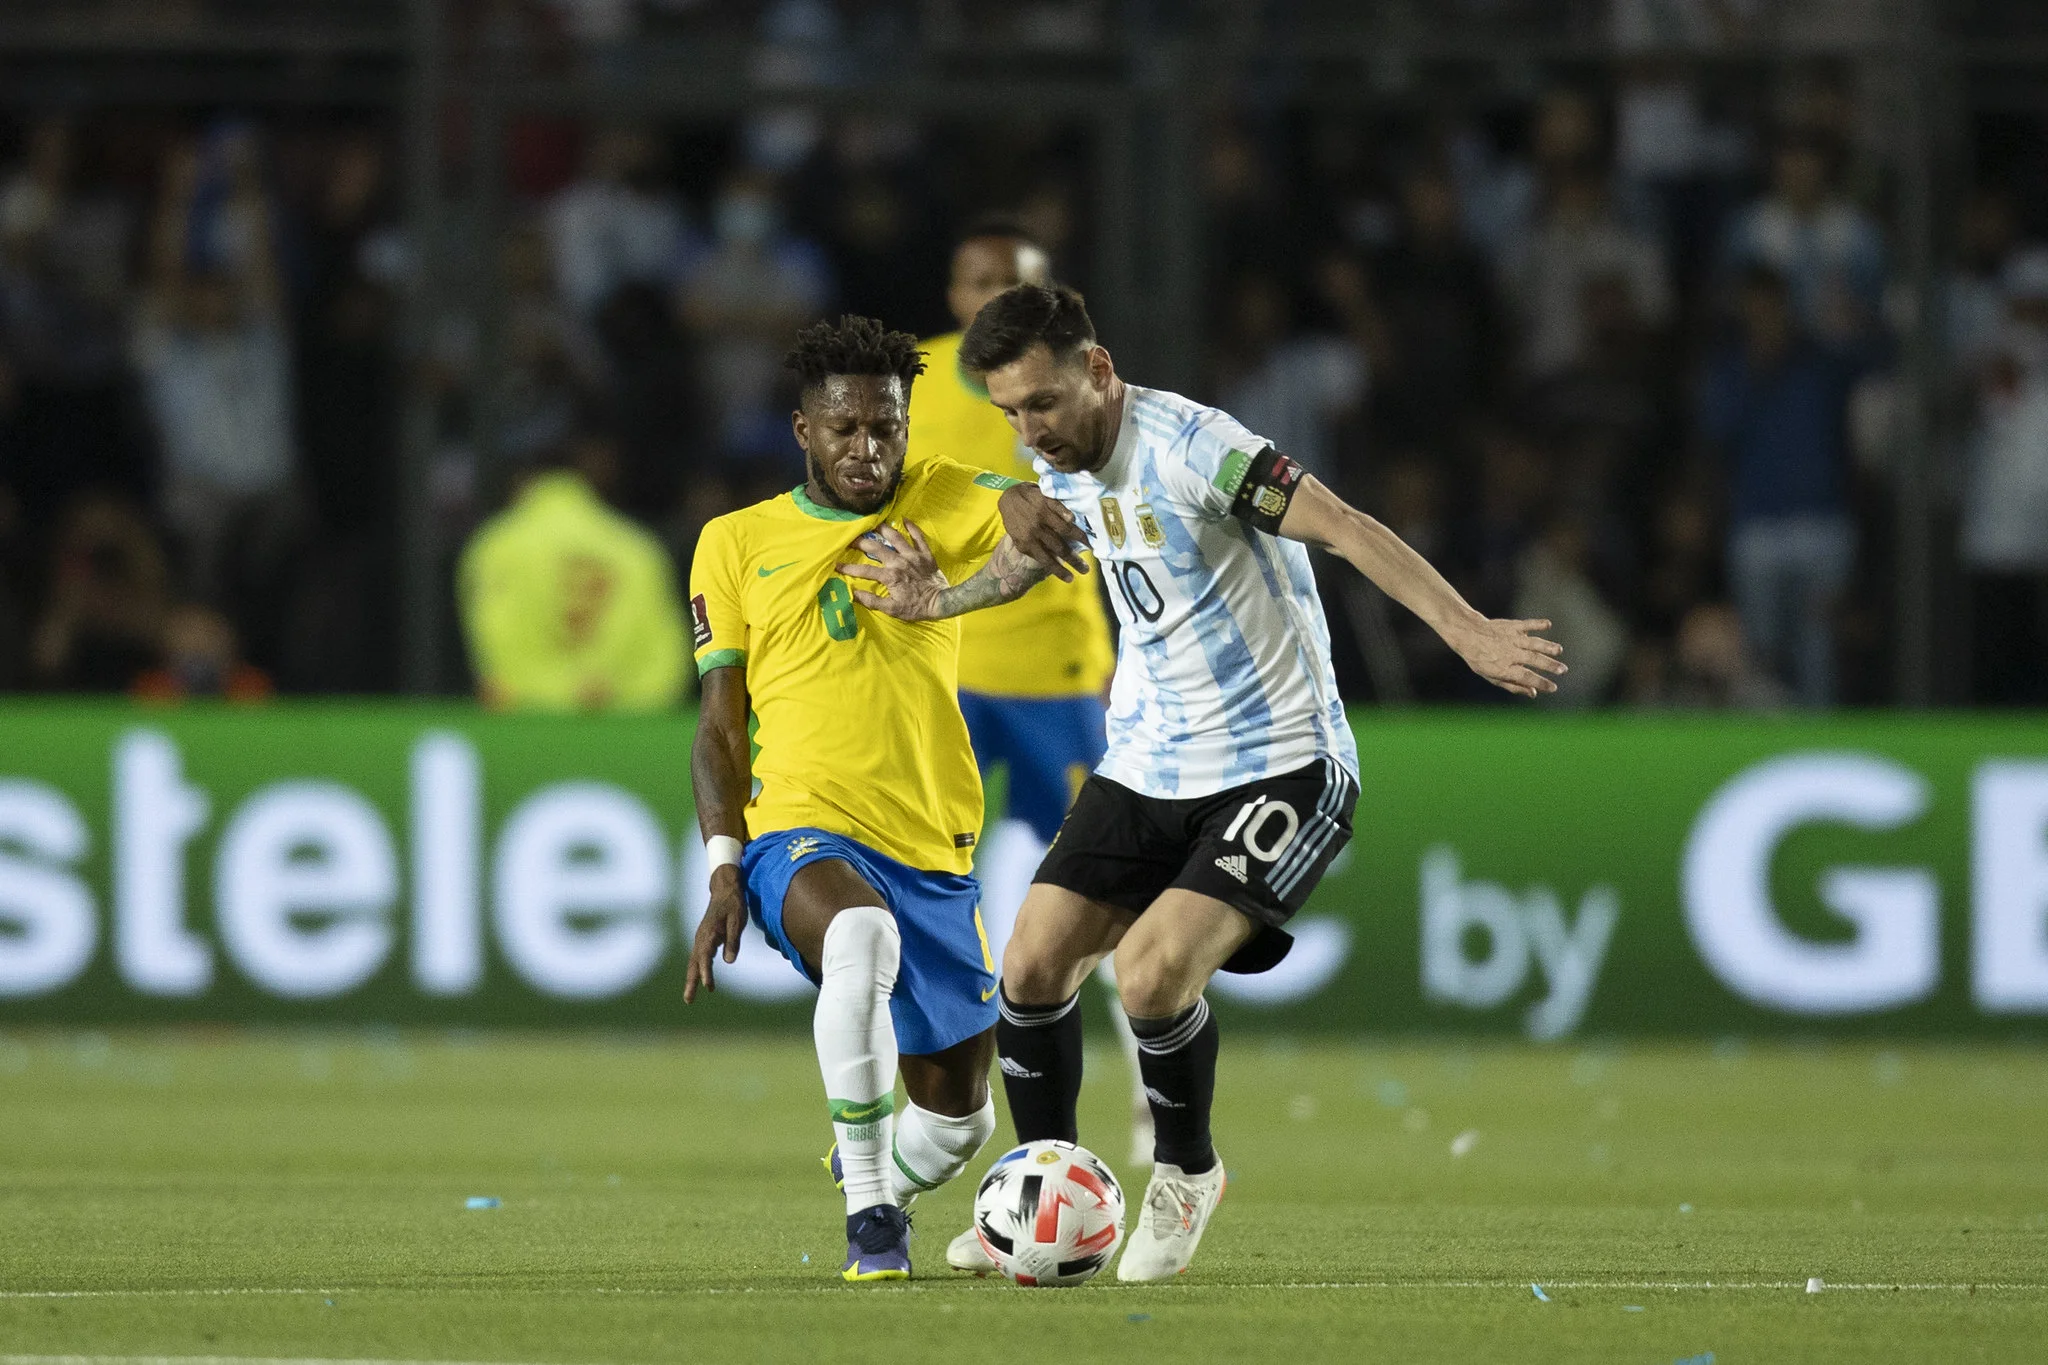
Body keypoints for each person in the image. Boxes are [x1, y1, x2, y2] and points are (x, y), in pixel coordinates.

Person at [845, 283, 1563, 1282]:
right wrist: (942, 598)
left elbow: (1348, 527)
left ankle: (1185, 1172)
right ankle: (1039, 1187)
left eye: (1042, 404)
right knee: (1029, 969)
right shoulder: (1054, 459)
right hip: (1146, 762)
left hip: (1279, 760)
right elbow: (1036, 561)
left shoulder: (1197, 450)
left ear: (1097, 370)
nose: (1028, 430)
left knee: (1147, 974)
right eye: (1010, 412)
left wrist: (1468, 630)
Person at [682, 315, 1088, 1282]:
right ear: (802, 433)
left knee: (958, 1121)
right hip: (802, 829)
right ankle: (872, 1216)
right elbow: (719, 727)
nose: (869, 450)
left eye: (887, 427)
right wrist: (725, 862)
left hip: (933, 845)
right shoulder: (735, 543)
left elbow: (1018, 505)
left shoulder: (939, 492)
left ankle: (875, 1165)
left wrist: (1031, 504)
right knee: (861, 939)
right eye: (845, 430)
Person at [906, 216, 1149, 1162]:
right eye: (974, 279)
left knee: (1108, 889)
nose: (989, 296)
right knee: (928, 887)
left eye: (1011, 281)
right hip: (949, 675)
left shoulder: (1080, 389)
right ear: (954, 294)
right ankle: (937, 1097)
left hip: (1056, 677)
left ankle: (1144, 1082)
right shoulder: (916, 385)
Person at [457, 429, 687, 713]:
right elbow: (667, 660)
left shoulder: (496, 545)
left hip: (527, 725)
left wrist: (546, 691)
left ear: (517, 481)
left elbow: (495, 649)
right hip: (621, 733)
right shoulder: (637, 548)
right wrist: (613, 695)